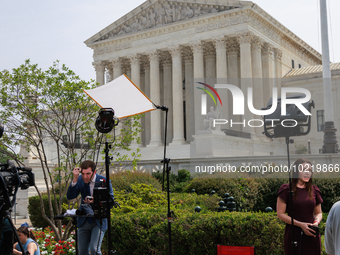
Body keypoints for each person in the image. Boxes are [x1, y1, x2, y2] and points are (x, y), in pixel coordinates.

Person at [67, 160, 114, 255]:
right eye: (83, 174)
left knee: (94, 250)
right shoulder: (79, 179)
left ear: (94, 172)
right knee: (83, 252)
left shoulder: (104, 181)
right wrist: (75, 179)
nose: (85, 177)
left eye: (88, 174)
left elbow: (111, 202)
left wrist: (96, 201)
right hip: (84, 221)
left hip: (98, 221)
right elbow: (70, 196)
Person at [277, 158, 323, 255]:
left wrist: (316, 222)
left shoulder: (314, 190)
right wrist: (300, 224)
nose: (307, 173)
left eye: (309, 170)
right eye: (304, 170)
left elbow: (318, 213)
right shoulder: (286, 189)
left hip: (312, 234)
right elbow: (280, 214)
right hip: (294, 234)